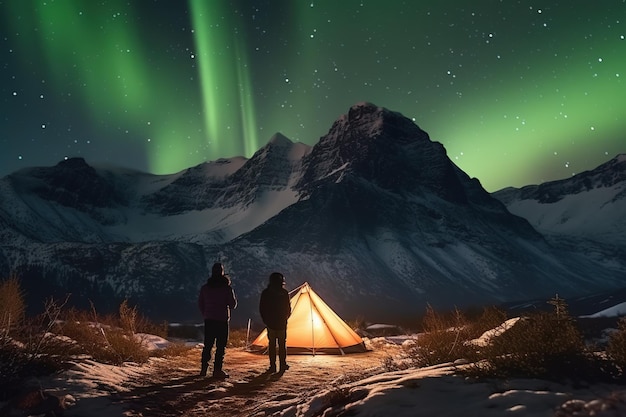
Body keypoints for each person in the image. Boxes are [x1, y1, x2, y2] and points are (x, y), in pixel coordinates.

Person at [198, 262, 237, 378]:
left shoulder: (205, 288)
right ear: (222, 272)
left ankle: (204, 369)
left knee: (208, 345)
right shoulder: (227, 288)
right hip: (222, 320)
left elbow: (201, 303)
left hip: (209, 320)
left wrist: (206, 313)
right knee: (221, 346)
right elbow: (233, 305)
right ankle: (217, 370)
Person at [259, 272, 291, 373]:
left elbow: (262, 308)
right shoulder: (284, 293)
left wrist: (265, 320)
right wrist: (286, 318)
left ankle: (272, 366)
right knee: (282, 344)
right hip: (281, 322)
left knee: (272, 345)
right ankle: (283, 364)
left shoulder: (266, 293)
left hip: (270, 323)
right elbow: (288, 308)